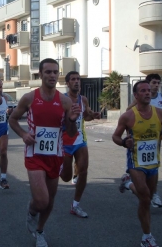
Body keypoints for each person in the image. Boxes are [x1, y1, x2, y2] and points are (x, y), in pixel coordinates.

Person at [9, 58, 80, 247]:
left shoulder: (64, 101)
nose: (52, 75)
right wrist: (24, 134)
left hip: (55, 156)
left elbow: (71, 133)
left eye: (55, 72)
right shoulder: (29, 98)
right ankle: (32, 211)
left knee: (50, 201)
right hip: (34, 155)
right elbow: (13, 119)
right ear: (40, 74)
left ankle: (40, 231)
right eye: (48, 72)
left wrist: (72, 120)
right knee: (41, 200)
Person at [112, 80, 162, 247]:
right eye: (143, 91)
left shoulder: (159, 113)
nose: (147, 93)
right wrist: (124, 143)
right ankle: (147, 237)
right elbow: (115, 136)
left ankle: (128, 183)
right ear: (136, 95)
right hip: (136, 163)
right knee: (145, 197)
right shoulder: (128, 116)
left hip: (153, 163)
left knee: (148, 197)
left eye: (148, 91)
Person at [121, 74, 162, 208]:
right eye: (153, 83)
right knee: (145, 191)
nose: (156, 85)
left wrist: (159, 115)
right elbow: (129, 114)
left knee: (152, 169)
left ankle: (133, 185)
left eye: (158, 83)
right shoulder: (139, 100)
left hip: (155, 140)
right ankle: (150, 193)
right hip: (140, 142)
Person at [60, 71, 101, 218]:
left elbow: (87, 116)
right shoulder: (62, 100)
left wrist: (93, 115)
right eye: (73, 79)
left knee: (83, 171)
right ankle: (57, 167)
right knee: (66, 177)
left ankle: (75, 205)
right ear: (67, 83)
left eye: (78, 79)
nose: (77, 81)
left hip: (79, 140)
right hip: (64, 142)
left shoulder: (83, 100)